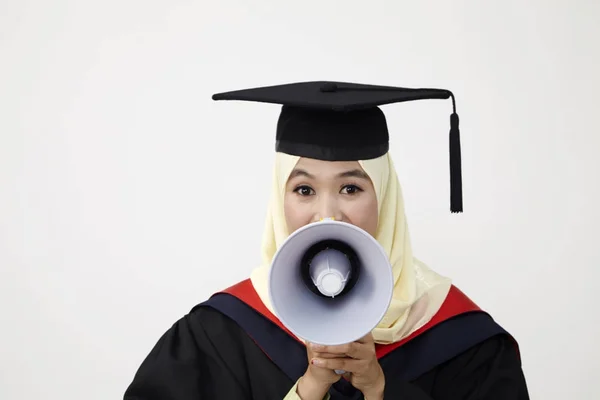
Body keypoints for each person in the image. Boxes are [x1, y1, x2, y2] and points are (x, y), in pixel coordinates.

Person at [123, 81, 529, 399]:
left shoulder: (461, 339)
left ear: (385, 197)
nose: (328, 214)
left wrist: (380, 390)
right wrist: (308, 390)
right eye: (303, 190)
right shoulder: (219, 335)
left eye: (352, 188)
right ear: (278, 197)